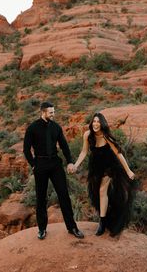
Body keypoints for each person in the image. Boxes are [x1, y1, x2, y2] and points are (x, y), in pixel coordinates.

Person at [23, 101, 84, 240]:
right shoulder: (32, 128)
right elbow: (26, 149)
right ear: (43, 112)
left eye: (54, 112)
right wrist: (33, 164)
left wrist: (69, 161)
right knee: (41, 198)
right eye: (51, 112)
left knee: (64, 195)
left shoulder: (56, 127)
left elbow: (64, 145)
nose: (53, 114)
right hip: (40, 164)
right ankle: (42, 229)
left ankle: (72, 227)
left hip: (55, 163)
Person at [69, 112, 135, 237]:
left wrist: (128, 171)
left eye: (98, 122)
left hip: (109, 166)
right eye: (94, 121)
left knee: (102, 191)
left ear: (102, 124)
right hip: (96, 166)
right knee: (96, 193)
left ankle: (102, 223)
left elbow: (118, 153)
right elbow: (84, 152)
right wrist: (76, 165)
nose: (95, 124)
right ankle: (105, 218)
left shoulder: (106, 137)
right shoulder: (87, 135)